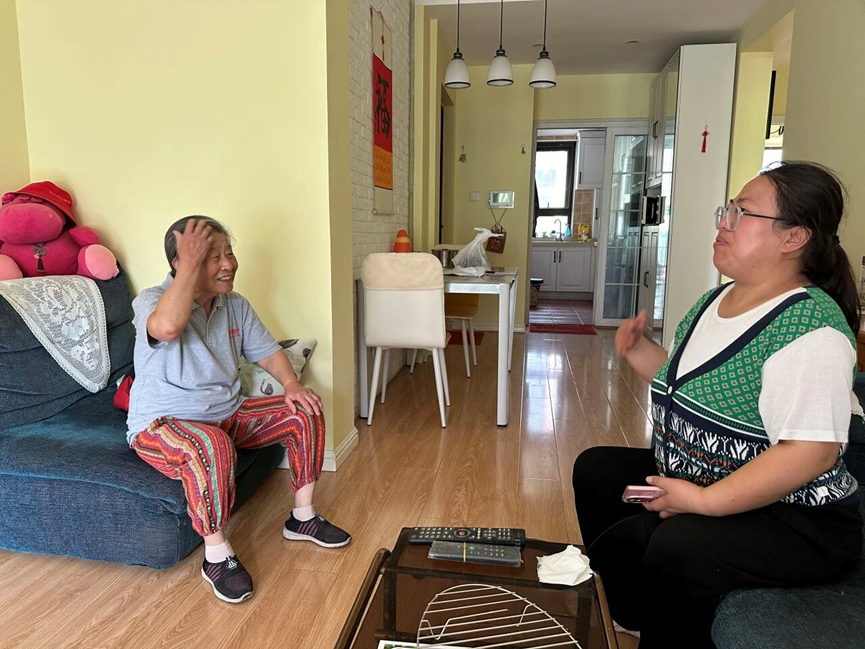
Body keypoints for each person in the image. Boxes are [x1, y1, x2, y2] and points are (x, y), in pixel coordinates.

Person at [572, 162, 863, 647]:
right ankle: (631, 613)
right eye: (727, 210)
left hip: (796, 518)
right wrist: (638, 350)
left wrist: (702, 502)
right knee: (597, 470)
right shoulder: (717, 300)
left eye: (742, 213)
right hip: (716, 475)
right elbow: (693, 384)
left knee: (675, 545)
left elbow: (811, 453)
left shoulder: (811, 330)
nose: (723, 223)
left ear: (794, 238)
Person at [126, 216, 350, 605]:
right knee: (210, 444)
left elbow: (267, 352)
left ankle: (302, 517)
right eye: (213, 257)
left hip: (227, 412)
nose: (228, 264)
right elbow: (167, 328)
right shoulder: (151, 300)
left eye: (229, 253)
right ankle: (216, 555)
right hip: (162, 424)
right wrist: (189, 265)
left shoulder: (234, 305)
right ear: (181, 263)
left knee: (305, 409)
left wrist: (292, 385)